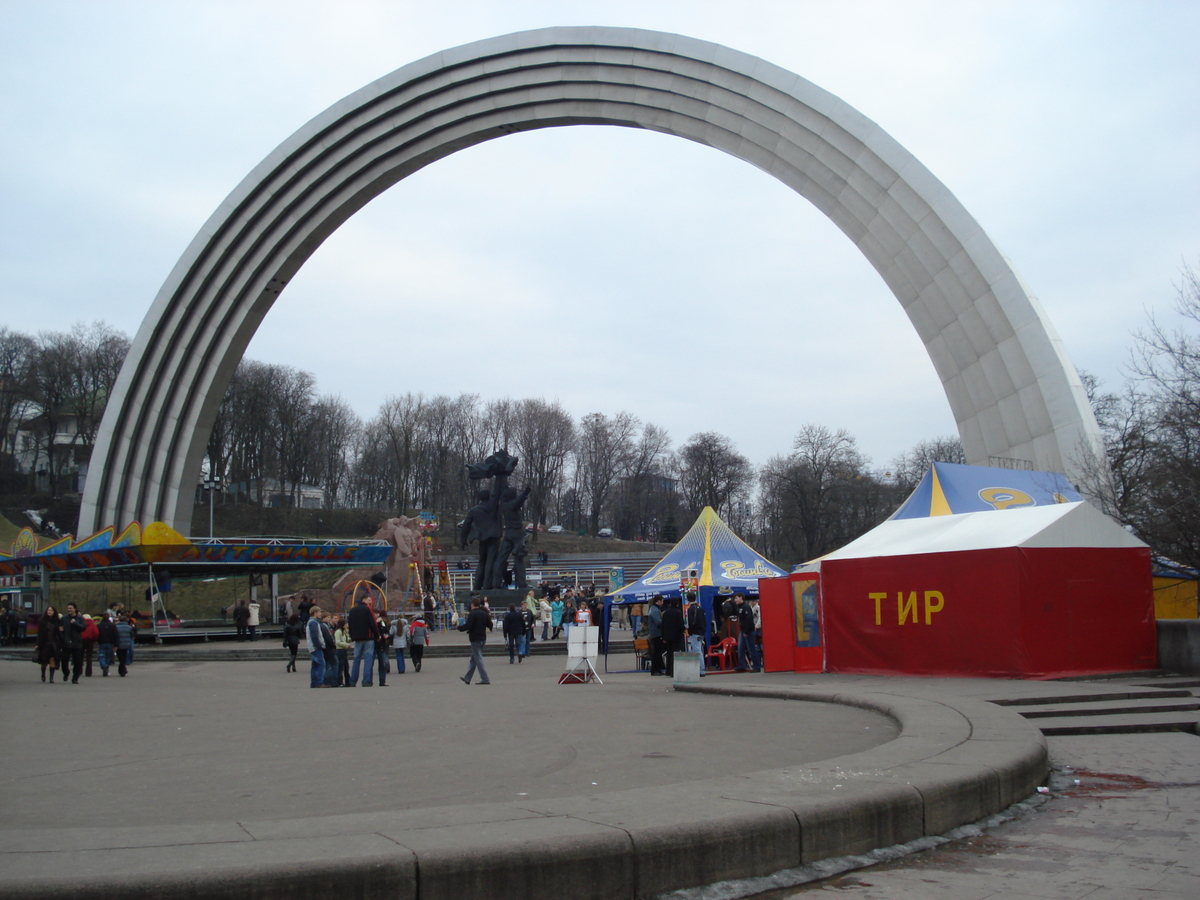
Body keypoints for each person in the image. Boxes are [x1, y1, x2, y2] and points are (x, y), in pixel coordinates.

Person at [457, 595, 492, 684]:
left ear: (472, 604)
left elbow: (468, 626)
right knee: (474, 659)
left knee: (478, 659)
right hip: (482, 638)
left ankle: (485, 678)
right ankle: (467, 678)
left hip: (475, 638)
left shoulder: (472, 614)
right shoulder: (484, 613)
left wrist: (459, 627)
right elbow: (490, 624)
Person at [346, 594, 378, 687]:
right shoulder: (368, 609)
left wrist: (352, 636)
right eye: (369, 600)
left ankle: (352, 681)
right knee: (368, 659)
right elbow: (372, 623)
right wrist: (376, 635)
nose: (370, 602)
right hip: (368, 637)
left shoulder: (352, 610)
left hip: (357, 638)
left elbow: (350, 623)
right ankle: (366, 681)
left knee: (356, 659)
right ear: (364, 600)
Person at [59, 603, 87, 685]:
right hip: (66, 643)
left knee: (77, 661)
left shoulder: (80, 618)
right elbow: (60, 629)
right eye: (68, 608)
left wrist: (75, 623)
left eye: (70, 608)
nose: (69, 610)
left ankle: (75, 677)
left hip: (76, 643)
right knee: (64, 660)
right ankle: (66, 672)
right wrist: (63, 638)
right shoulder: (64, 618)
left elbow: (83, 628)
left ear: (75, 609)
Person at [661, 597, 686, 677]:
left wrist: (664, 636)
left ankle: (668, 670)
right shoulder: (678, 612)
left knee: (669, 653)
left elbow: (663, 625)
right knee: (675, 653)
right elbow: (680, 625)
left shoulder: (666, 613)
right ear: (677, 603)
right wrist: (683, 630)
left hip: (667, 636)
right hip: (676, 636)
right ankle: (674, 671)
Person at [36, 605, 61, 683]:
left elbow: (60, 632)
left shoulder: (57, 621)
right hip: (45, 642)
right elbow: (39, 633)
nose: (49, 612)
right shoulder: (42, 621)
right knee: (44, 660)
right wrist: (37, 644)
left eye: (51, 610)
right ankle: (43, 674)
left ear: (54, 612)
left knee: (52, 659)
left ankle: (51, 678)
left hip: (54, 643)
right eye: (48, 610)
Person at [305, 607, 328, 687]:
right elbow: (314, 636)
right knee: (321, 664)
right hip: (315, 647)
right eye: (319, 612)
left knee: (315, 665)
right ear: (315, 613)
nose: (320, 614)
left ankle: (314, 682)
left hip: (312, 647)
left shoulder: (311, 622)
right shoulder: (313, 623)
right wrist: (319, 645)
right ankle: (319, 682)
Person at [685, 593, 707, 676]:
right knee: (699, 649)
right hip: (701, 631)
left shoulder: (690, 609)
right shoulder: (700, 608)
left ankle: (701, 670)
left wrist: (690, 631)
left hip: (695, 632)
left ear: (687, 599)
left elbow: (691, 622)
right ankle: (700, 668)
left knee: (697, 650)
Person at [647, 594, 665, 676]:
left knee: (657, 652)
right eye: (662, 601)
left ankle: (658, 669)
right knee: (656, 652)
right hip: (656, 633)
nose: (663, 603)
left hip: (655, 633)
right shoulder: (654, 610)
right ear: (659, 601)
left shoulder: (654, 609)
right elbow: (658, 622)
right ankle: (655, 670)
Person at [320, 613, 339, 687]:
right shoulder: (324, 626)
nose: (329, 619)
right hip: (329, 648)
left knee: (327, 665)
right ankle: (332, 681)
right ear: (323, 618)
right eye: (328, 617)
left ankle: (326, 680)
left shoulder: (322, 626)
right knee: (334, 664)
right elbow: (328, 638)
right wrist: (333, 645)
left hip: (326, 648)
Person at [97, 610, 118, 676]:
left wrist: (97, 640)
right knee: (108, 656)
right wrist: (116, 644)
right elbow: (116, 635)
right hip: (110, 643)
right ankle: (107, 666)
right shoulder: (112, 625)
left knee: (101, 655)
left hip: (101, 642)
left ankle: (103, 665)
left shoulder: (99, 625)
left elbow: (97, 634)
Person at [334, 617, 353, 687]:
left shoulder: (344, 631)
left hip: (344, 650)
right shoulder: (338, 632)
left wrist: (353, 638)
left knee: (346, 667)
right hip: (339, 650)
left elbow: (347, 639)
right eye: (345, 624)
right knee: (340, 666)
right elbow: (338, 642)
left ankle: (348, 681)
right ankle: (339, 681)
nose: (347, 625)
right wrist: (346, 645)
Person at [374, 613, 391, 687]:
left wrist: (386, 634)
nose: (377, 615)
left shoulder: (382, 622)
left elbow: (386, 630)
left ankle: (382, 681)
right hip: (374, 644)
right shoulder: (371, 621)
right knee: (370, 663)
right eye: (375, 614)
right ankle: (368, 681)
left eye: (377, 614)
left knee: (383, 664)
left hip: (382, 644)